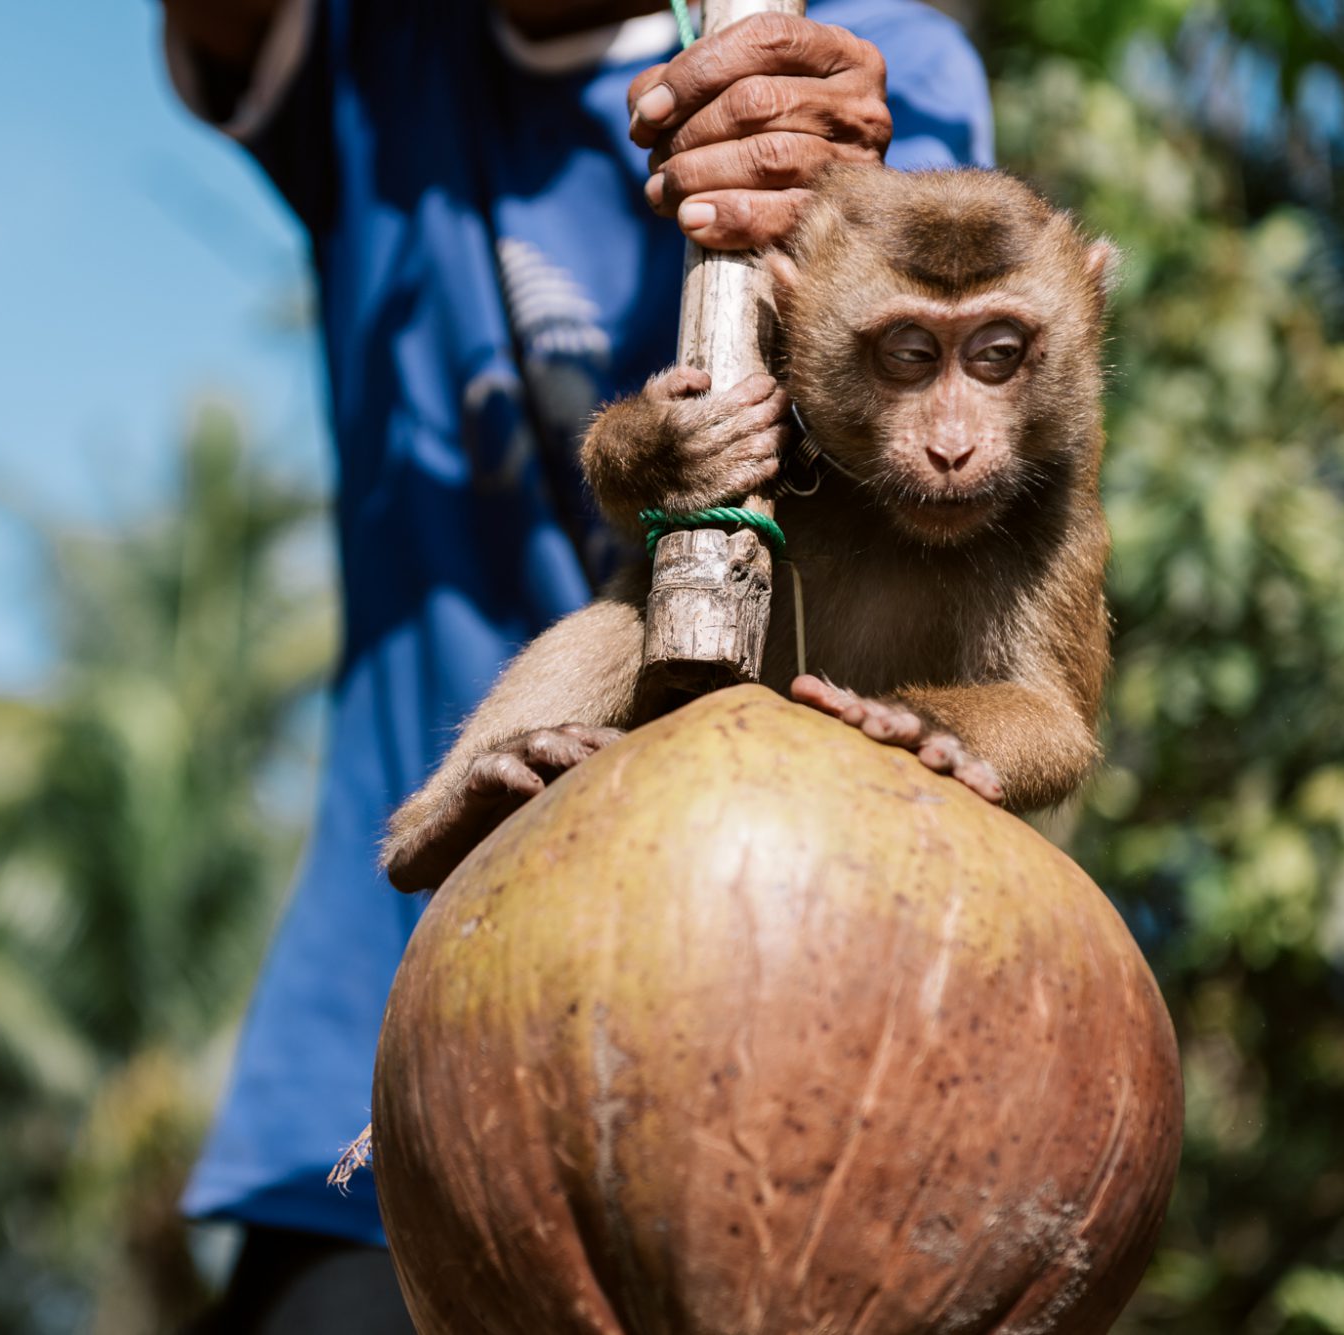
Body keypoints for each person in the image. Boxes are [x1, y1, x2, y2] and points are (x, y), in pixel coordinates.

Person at [159, 1, 994, 1328]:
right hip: (383, 1051)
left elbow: (942, 483)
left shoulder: (875, 58)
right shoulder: (377, 62)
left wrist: (852, 223)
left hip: (768, 1020)